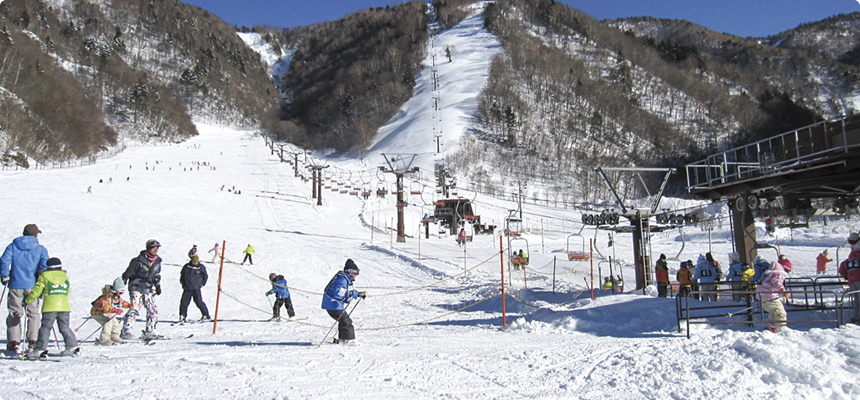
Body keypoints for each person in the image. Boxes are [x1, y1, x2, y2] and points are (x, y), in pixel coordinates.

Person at [1, 223, 49, 353]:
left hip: (15, 284)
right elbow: (45, 265)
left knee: (14, 313)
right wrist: (41, 279)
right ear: (35, 234)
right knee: (33, 313)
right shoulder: (40, 249)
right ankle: (33, 340)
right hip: (33, 285)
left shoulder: (13, 246)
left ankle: (13, 341)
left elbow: (4, 261)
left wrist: (5, 276)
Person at [24, 257, 78, 359]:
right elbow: (67, 291)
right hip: (64, 306)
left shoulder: (44, 276)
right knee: (64, 327)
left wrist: (28, 299)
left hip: (50, 306)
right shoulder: (65, 277)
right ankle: (72, 346)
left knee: (45, 327)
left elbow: (37, 290)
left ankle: (40, 349)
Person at [120, 239, 163, 340]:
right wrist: (123, 281)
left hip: (148, 287)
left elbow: (156, 274)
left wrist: (157, 285)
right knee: (135, 307)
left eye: (157, 248)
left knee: (152, 309)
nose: (155, 250)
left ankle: (150, 330)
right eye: (153, 247)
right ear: (148, 248)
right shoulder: (138, 260)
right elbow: (127, 273)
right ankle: (126, 329)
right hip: (136, 286)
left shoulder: (157, 261)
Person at [321, 259, 366, 345]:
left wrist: (358, 294)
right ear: (350, 272)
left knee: (343, 320)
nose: (356, 275)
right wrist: (348, 294)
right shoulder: (342, 280)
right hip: (333, 304)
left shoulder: (346, 279)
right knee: (346, 321)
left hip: (335, 305)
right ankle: (349, 339)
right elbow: (339, 292)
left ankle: (343, 339)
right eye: (356, 272)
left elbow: (349, 290)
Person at [90, 277, 131, 345]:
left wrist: (129, 305)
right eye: (120, 292)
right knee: (108, 322)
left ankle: (114, 336)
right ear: (115, 291)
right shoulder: (107, 297)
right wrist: (115, 310)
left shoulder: (116, 297)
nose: (121, 294)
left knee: (115, 321)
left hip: (106, 313)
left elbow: (122, 302)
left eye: (123, 292)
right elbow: (105, 308)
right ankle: (104, 338)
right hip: (97, 313)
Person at [757, 261, 790, 332]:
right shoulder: (778, 274)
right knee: (780, 312)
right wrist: (783, 290)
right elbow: (777, 282)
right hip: (770, 296)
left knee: (772, 312)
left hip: (763, 297)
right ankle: (781, 327)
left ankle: (772, 326)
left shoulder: (768, 275)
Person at [178, 256, 210, 323]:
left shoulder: (201, 267)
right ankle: (182, 316)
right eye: (194, 262)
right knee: (184, 303)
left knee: (199, 302)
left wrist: (202, 283)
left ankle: (206, 315)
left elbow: (205, 276)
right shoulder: (186, 267)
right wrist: (182, 282)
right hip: (187, 288)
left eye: (196, 262)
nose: (195, 263)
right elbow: (182, 275)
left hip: (196, 288)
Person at [838, 244, 860, 324]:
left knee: (856, 301)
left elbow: (841, 270)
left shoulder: (847, 261)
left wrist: (847, 277)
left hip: (852, 282)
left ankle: (855, 316)